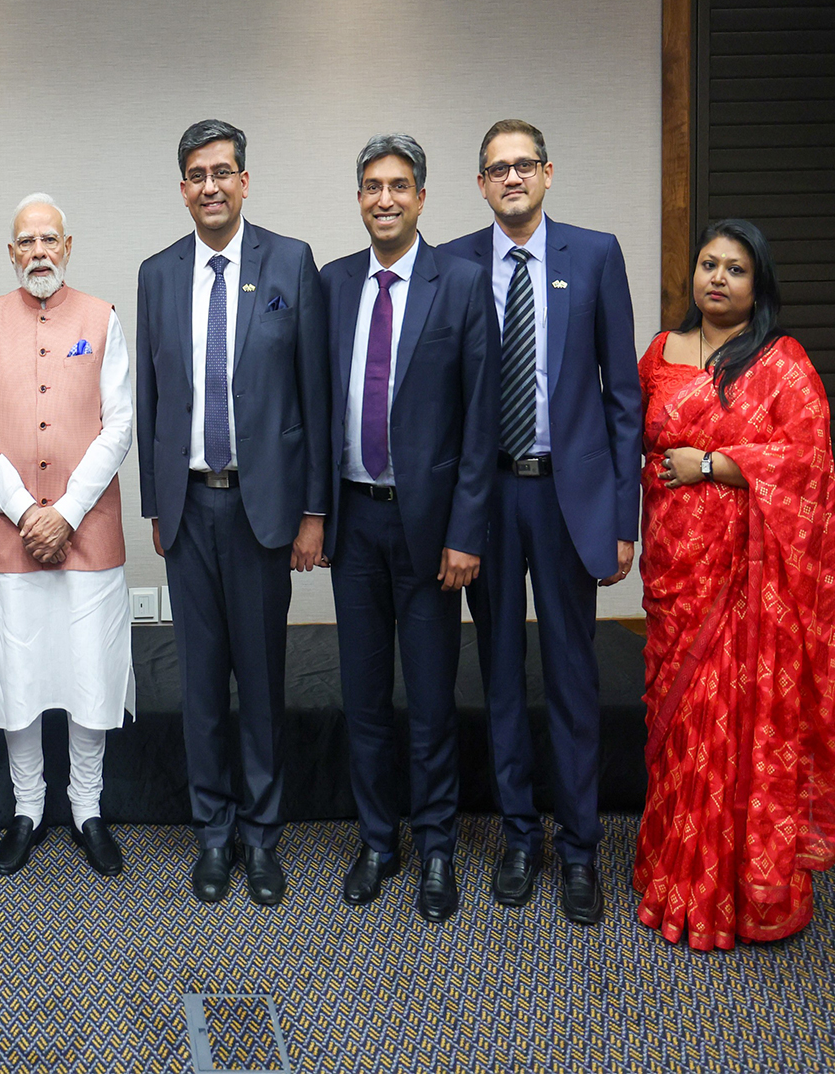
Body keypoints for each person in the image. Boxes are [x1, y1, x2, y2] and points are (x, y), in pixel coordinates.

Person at [439, 119, 641, 926]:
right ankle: (521, 837)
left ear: (548, 173)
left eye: (524, 165)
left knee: (571, 677)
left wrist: (625, 516)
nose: (512, 178)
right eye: (497, 168)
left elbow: (623, 397)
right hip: (488, 500)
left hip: (568, 498)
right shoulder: (453, 262)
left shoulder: (594, 254)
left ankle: (582, 847)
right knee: (497, 673)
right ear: (481, 184)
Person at [136, 119, 331, 905]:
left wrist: (315, 511)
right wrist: (156, 503)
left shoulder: (289, 262)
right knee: (201, 685)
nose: (210, 185)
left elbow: (314, 395)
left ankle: (262, 836)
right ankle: (212, 834)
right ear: (182, 188)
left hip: (265, 509)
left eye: (223, 171)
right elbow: (151, 398)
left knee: (260, 678)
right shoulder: (157, 273)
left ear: (245, 181)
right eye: (195, 173)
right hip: (189, 509)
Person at [635, 219, 835, 950]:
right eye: (709, 265)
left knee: (736, 722)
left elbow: (809, 467)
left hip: (748, 584)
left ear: (760, 285)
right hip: (674, 571)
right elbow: (628, 437)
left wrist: (713, 465)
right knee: (679, 721)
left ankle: (732, 887)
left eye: (737, 269)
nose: (718, 278)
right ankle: (672, 870)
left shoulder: (784, 364)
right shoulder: (659, 354)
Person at [321, 134, 498, 923]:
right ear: (358, 198)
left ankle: (434, 851)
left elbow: (480, 422)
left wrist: (467, 532)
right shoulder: (332, 285)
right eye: (370, 186)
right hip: (354, 521)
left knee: (428, 699)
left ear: (423, 197)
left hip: (432, 534)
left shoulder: (459, 284)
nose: (383, 198)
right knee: (362, 695)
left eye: (398, 186)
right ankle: (376, 843)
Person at [0, 194, 135, 878]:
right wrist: (25, 511)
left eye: (49, 239)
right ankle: (27, 808)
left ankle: (87, 807)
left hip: (87, 533)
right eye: (25, 241)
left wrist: (65, 510)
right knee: (18, 677)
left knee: (90, 674)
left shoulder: (101, 318)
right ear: (10, 253)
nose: (38, 251)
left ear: (68, 245)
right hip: (6, 539)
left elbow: (119, 425)